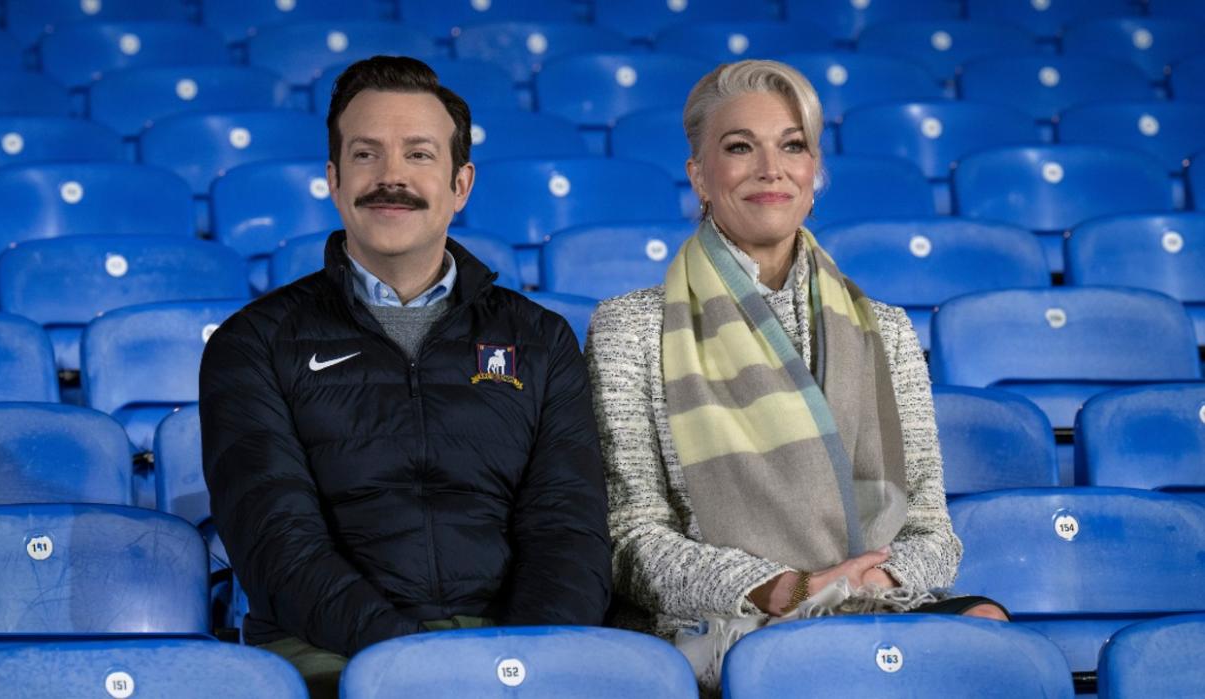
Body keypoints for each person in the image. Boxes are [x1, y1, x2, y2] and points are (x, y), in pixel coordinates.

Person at [585, 59, 1005, 689]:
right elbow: (632, 542)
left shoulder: (885, 329)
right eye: (738, 148)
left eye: (792, 146)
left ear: (814, 175)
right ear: (699, 175)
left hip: (868, 607)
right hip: (719, 625)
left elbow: (930, 529)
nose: (769, 168)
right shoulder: (630, 328)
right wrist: (789, 589)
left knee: (988, 629)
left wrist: (871, 581)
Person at [200, 56, 611, 698]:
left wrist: (522, 662)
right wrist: (417, 666)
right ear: (334, 180)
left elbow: (569, 530)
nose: (391, 177)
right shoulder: (252, 343)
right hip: (330, 655)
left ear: (461, 183)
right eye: (366, 155)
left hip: (518, 655)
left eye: (418, 154)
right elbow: (277, 542)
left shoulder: (541, 340)